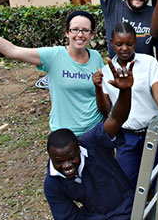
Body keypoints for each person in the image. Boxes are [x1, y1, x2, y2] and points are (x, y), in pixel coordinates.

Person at [0, 8, 103, 136]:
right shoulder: (53, 56)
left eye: (85, 30)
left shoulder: (96, 56)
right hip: (65, 134)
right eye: (75, 29)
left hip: (95, 129)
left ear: (92, 35)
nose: (80, 34)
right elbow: (13, 51)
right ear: (67, 33)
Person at [44, 59, 135, 220]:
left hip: (129, 208)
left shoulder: (93, 141)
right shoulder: (53, 183)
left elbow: (117, 118)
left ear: (79, 149)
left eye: (72, 158)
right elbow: (66, 216)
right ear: (51, 159)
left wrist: (125, 91)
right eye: (59, 161)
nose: (67, 166)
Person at [93, 22, 158, 187]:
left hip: (154, 131)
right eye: (119, 44)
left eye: (129, 44)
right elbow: (106, 110)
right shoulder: (106, 72)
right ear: (112, 43)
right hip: (126, 136)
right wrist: (98, 88)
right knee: (127, 181)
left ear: (135, 42)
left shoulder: (149, 62)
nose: (124, 48)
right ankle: (131, 212)